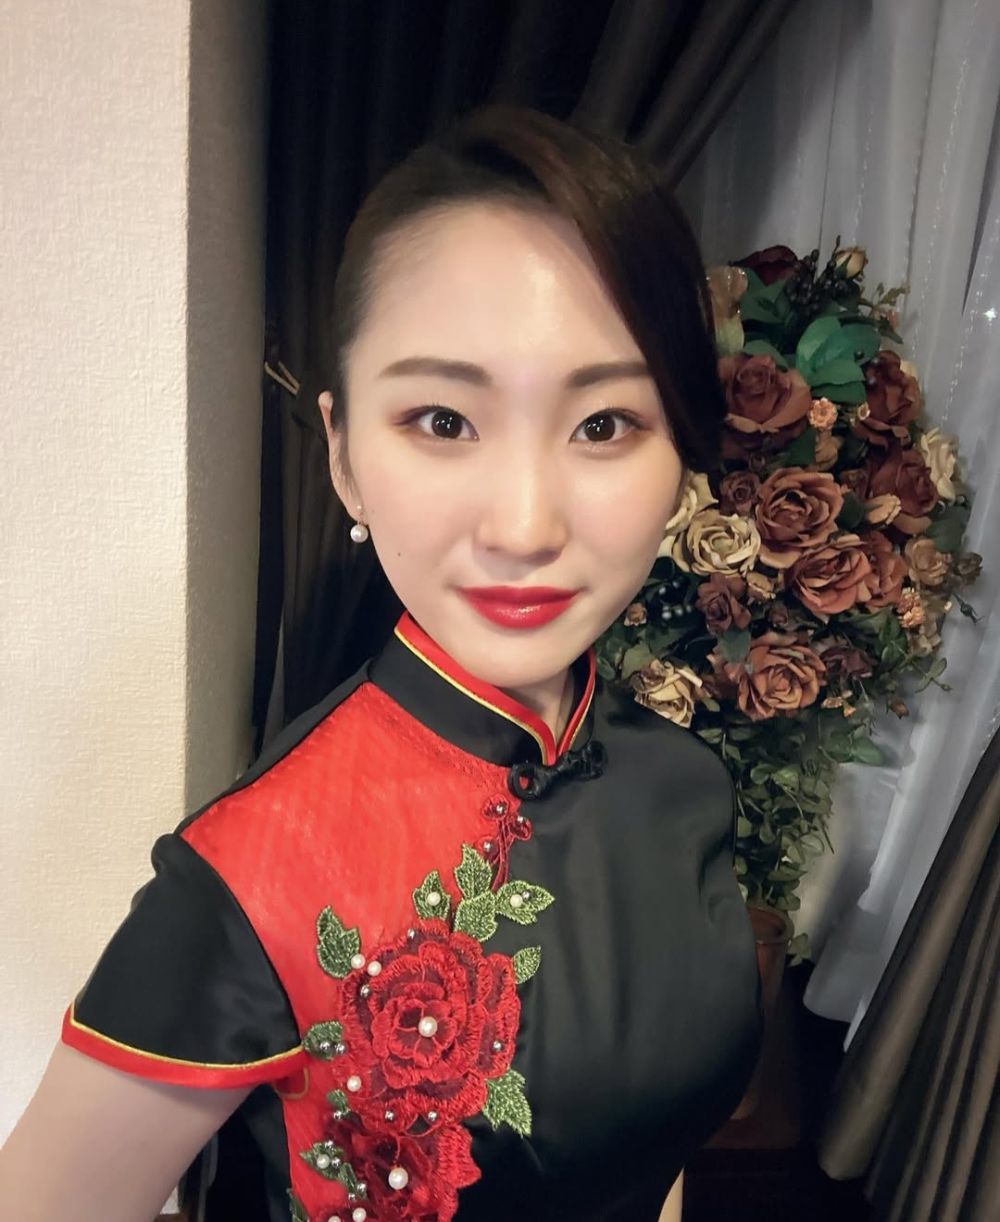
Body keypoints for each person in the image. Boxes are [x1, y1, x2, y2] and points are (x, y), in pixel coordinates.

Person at [0, 103, 763, 1222]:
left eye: (603, 424)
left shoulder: (684, 782)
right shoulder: (255, 873)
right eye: (443, 421)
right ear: (344, 456)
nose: (523, 524)